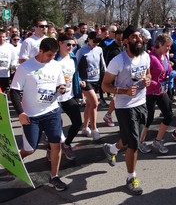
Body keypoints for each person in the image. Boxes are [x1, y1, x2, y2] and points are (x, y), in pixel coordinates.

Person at [10, 38, 68, 191]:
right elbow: (14, 91)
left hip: (52, 111)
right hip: (32, 116)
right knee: (30, 149)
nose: (51, 58)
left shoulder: (55, 65)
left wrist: (61, 88)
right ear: (40, 51)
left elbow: (60, 85)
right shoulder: (25, 68)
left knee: (56, 144)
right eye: (49, 55)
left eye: (54, 55)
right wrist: (20, 113)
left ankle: (54, 176)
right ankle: (14, 161)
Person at [102, 25, 151, 195]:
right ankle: (131, 178)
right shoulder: (118, 61)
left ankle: (112, 149)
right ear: (126, 41)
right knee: (134, 144)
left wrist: (148, 80)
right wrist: (123, 91)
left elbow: (148, 74)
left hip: (141, 103)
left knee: (130, 138)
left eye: (139, 36)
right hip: (125, 107)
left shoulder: (145, 56)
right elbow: (105, 85)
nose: (138, 39)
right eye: (134, 37)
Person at [139, 33, 173, 154]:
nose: (169, 48)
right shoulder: (150, 57)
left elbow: (166, 70)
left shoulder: (165, 56)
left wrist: (171, 72)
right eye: (167, 46)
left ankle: (158, 140)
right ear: (159, 44)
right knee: (149, 118)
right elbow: (145, 76)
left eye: (170, 46)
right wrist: (156, 84)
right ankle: (140, 141)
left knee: (168, 115)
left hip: (162, 91)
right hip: (150, 92)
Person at [54, 34, 85, 160]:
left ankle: (66, 145)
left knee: (77, 123)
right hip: (55, 98)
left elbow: (74, 74)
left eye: (73, 45)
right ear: (60, 43)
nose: (71, 47)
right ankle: (51, 149)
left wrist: (79, 81)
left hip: (68, 96)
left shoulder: (73, 58)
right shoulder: (53, 59)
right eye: (68, 44)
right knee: (56, 129)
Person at [78, 32, 105, 140]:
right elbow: (75, 66)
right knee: (94, 103)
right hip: (85, 81)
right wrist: (79, 80)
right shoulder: (81, 51)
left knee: (89, 105)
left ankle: (85, 127)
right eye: (94, 41)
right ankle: (94, 129)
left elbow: (102, 64)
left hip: (96, 79)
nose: (96, 44)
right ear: (89, 39)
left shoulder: (99, 49)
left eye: (98, 42)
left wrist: (106, 76)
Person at [102, 29, 125, 127]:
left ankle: (109, 115)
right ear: (115, 37)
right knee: (118, 97)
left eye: (122, 38)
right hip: (114, 76)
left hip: (125, 76)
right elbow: (105, 64)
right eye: (118, 38)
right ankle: (109, 115)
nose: (120, 40)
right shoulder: (110, 49)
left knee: (119, 97)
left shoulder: (126, 47)